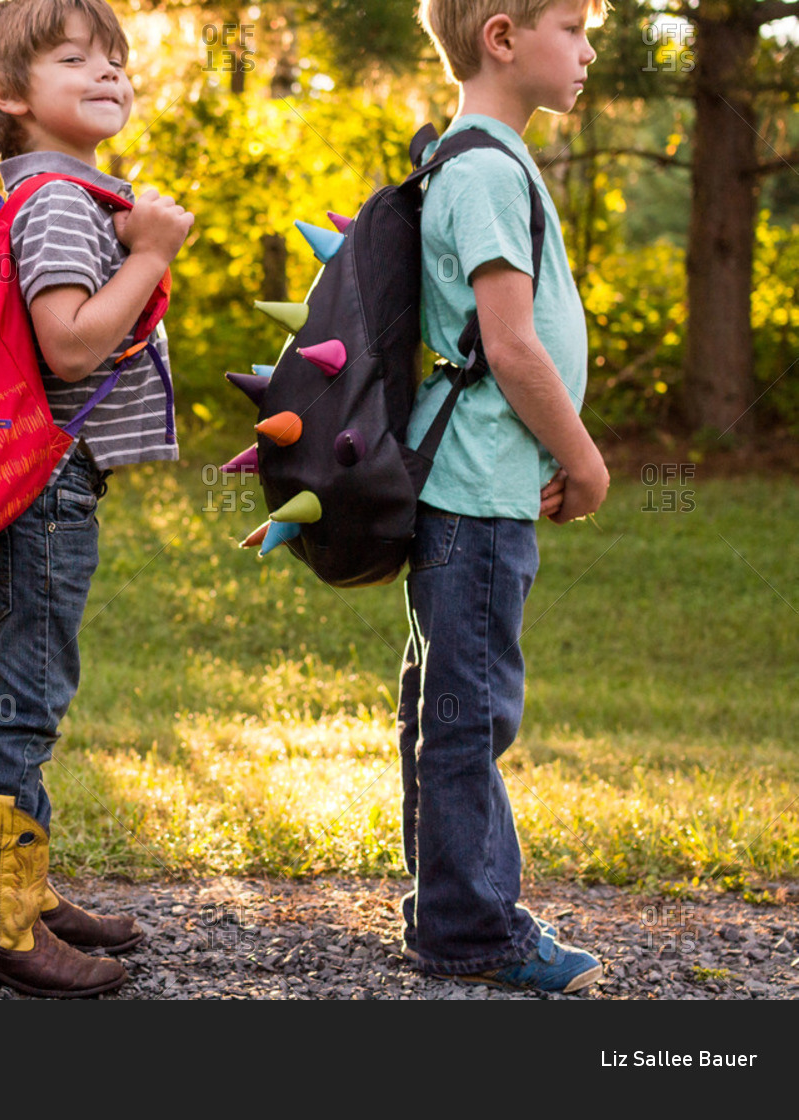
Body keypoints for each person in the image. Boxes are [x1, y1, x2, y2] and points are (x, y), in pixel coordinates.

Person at [0, 0, 193, 998]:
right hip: (44, 483)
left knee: (7, 690)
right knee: (24, 698)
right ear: (7, 94)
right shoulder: (56, 201)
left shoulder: (64, 192)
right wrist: (151, 253)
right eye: (74, 59)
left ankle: (18, 887)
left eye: (117, 60)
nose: (110, 73)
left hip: (34, 477)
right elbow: (72, 343)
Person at [398, 0, 611, 992]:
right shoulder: (483, 170)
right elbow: (513, 345)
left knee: (451, 703)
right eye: (572, 27)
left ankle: (448, 908)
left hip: (478, 485)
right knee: (470, 711)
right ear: (502, 36)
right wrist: (585, 457)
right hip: (477, 489)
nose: (588, 48)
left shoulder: (487, 162)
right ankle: (472, 927)